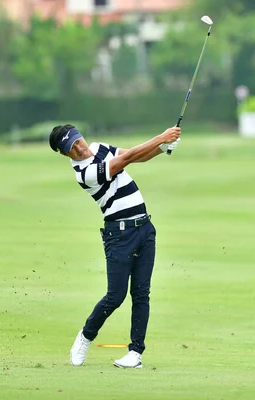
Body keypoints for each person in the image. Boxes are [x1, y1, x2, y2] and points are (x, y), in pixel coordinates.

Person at [48, 124, 181, 368]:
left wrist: (162, 148)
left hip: (145, 228)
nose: (80, 147)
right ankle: (86, 336)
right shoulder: (85, 174)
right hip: (119, 235)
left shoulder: (99, 148)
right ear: (64, 153)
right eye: (72, 147)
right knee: (116, 296)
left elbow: (134, 154)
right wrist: (161, 137)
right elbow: (127, 159)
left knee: (141, 294)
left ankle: (135, 353)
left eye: (79, 140)